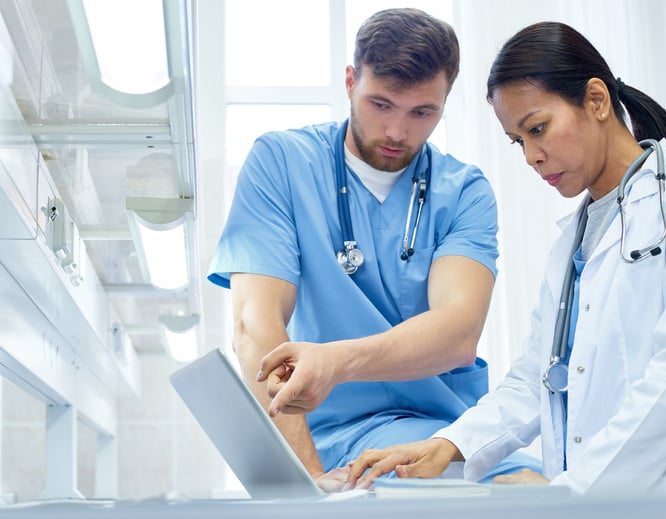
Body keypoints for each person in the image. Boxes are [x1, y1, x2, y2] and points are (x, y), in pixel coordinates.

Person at [345, 21, 666, 495]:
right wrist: (448, 444)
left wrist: (571, 489)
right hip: (603, 499)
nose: (530, 157)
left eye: (537, 129)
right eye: (518, 141)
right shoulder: (571, 243)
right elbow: (535, 378)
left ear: (597, 101)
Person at [207, 8, 540, 491]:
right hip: (318, 436)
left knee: (532, 488)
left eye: (422, 113)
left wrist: (338, 362)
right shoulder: (281, 164)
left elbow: (458, 332)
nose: (397, 133)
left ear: (445, 103)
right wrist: (309, 478)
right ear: (349, 82)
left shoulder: (464, 191)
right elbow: (256, 326)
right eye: (380, 104)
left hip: (432, 439)